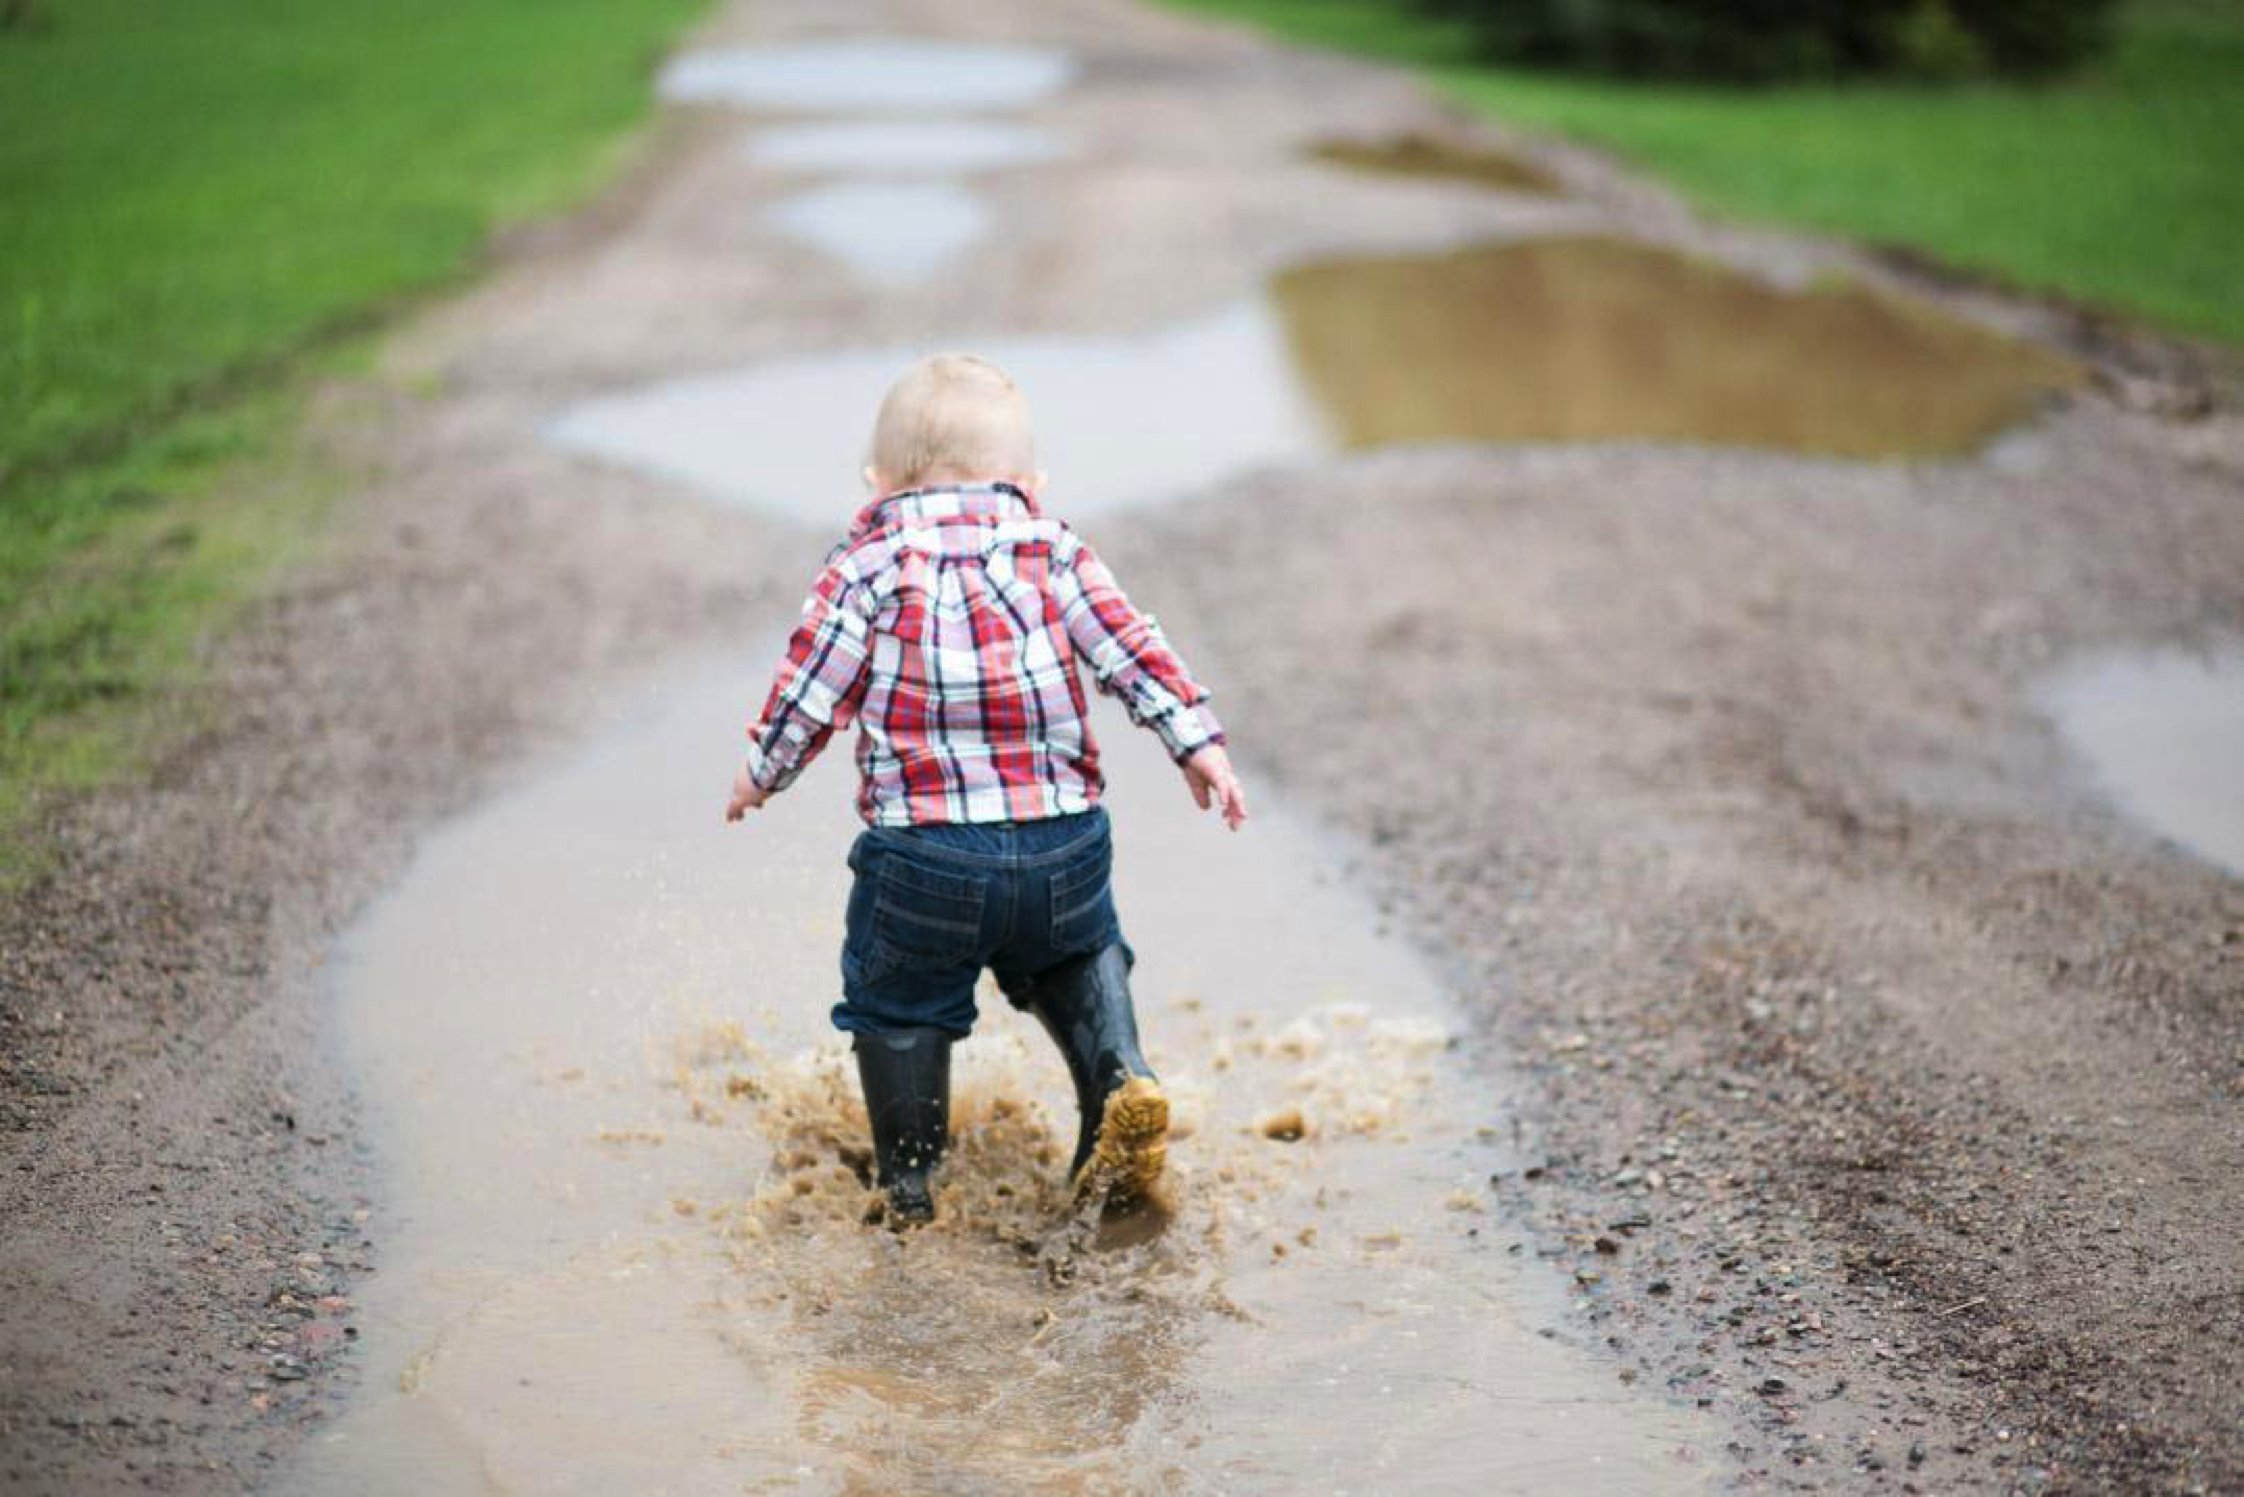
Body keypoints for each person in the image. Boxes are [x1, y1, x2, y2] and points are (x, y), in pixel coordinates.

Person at [723, 353, 1247, 1225]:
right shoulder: (1053, 546)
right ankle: (1117, 1073)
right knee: (1081, 955)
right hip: (1063, 844)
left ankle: (911, 1183)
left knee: (900, 1002)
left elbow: (814, 685)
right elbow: (1130, 649)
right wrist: (1197, 742)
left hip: (927, 856)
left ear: (877, 480)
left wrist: (760, 772)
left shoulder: (867, 561)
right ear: (1030, 483)